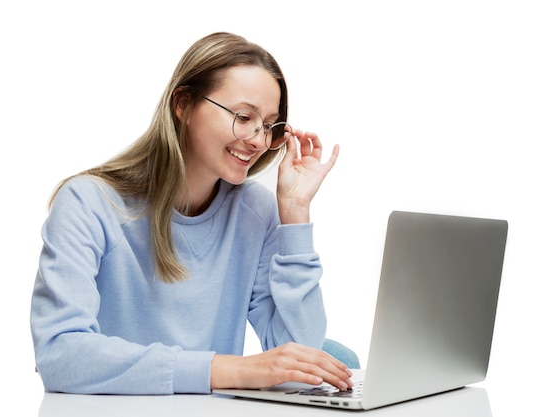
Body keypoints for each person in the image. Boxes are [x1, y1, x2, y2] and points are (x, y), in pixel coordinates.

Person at [30, 32, 355, 395]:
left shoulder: (255, 212)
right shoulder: (88, 203)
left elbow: (300, 366)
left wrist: (295, 213)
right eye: (244, 116)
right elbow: (60, 354)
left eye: (269, 126)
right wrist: (226, 369)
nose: (259, 140)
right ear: (183, 104)